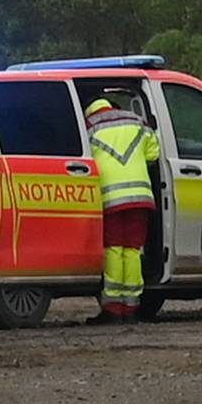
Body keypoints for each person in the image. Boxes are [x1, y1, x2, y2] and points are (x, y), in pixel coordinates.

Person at [82, 97, 161, 324]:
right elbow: (153, 155)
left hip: (111, 197)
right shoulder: (137, 122)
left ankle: (113, 307)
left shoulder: (90, 127)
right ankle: (131, 305)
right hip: (140, 196)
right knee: (133, 249)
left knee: (114, 248)